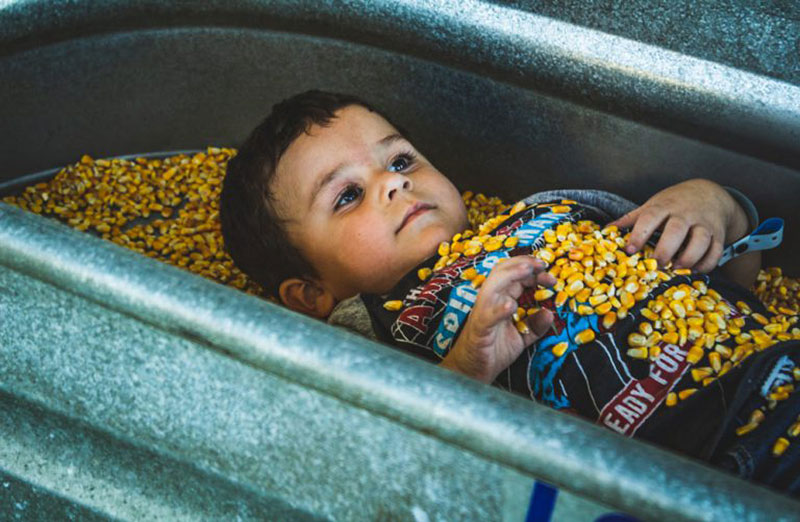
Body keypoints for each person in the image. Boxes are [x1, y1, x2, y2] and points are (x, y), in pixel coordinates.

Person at [220, 90, 798, 495]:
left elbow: (725, 273)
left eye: (399, 159)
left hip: (779, 361)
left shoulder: (547, 208)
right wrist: (466, 366)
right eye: (347, 196)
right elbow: (385, 465)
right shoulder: (366, 332)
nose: (394, 181)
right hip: (711, 469)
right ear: (310, 294)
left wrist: (716, 206)